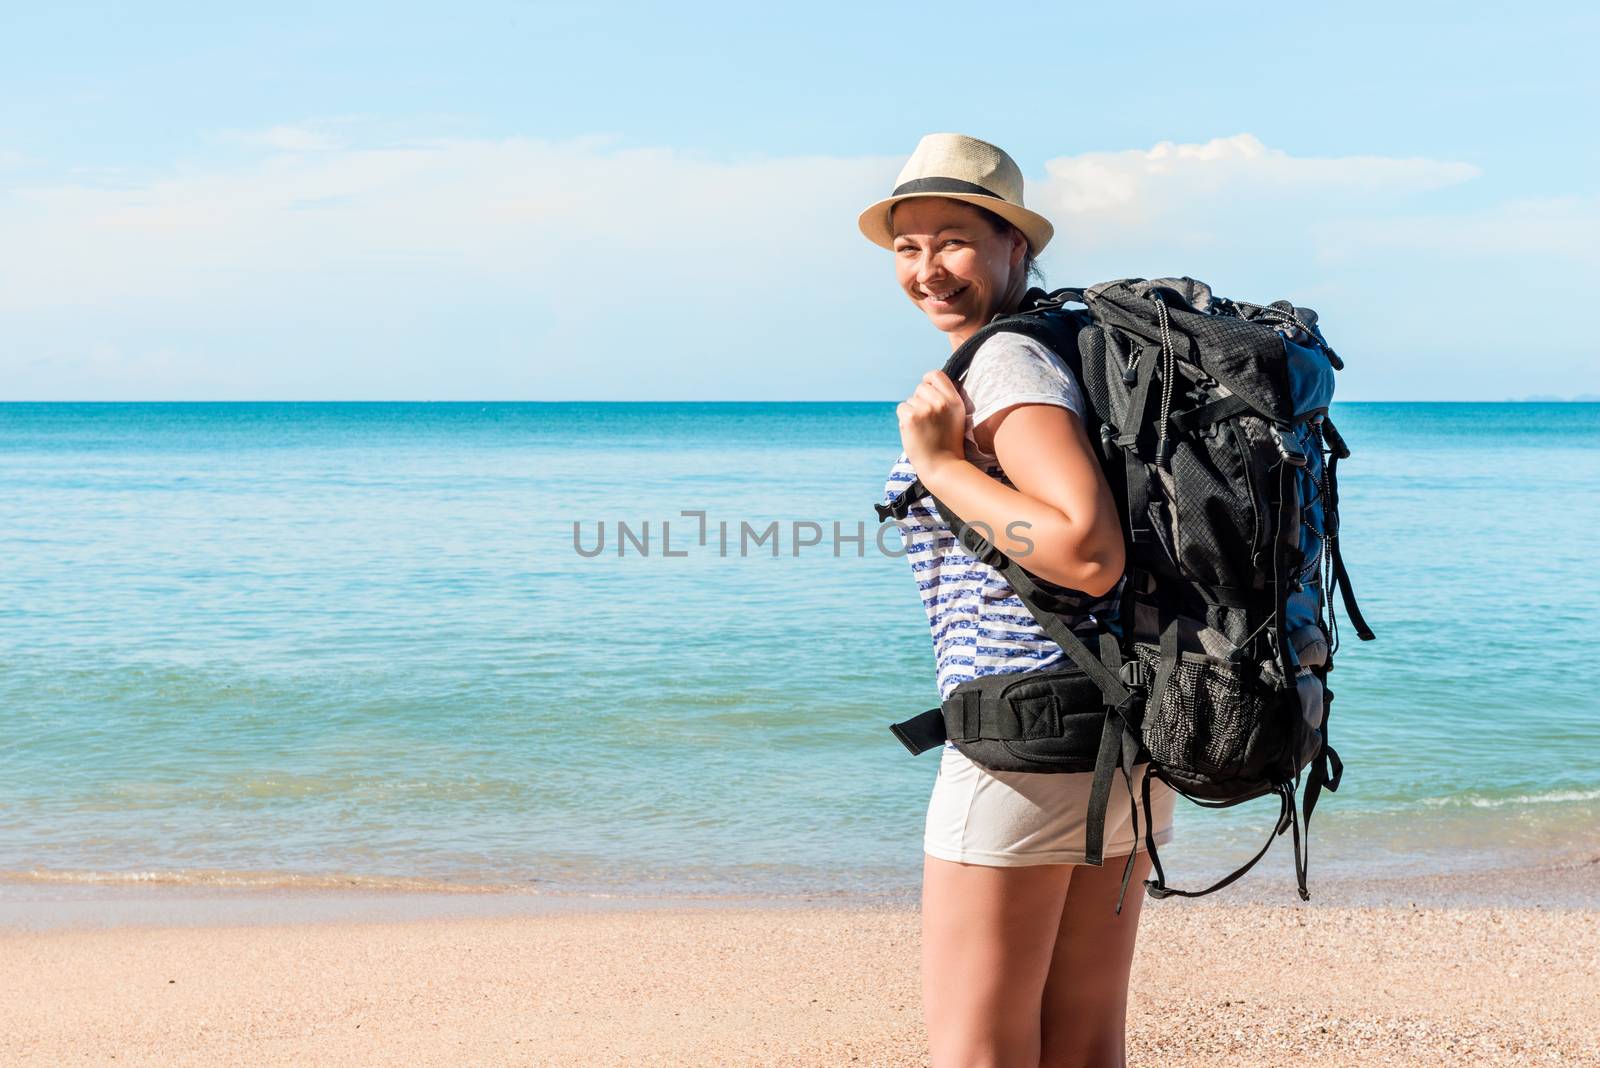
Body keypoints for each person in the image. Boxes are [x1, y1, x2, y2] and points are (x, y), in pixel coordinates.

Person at [861, 132, 1176, 1068]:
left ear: (1017, 248)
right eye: (908, 247)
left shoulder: (1007, 368)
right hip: (1119, 736)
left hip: (1021, 742)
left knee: (980, 1053)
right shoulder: (1065, 349)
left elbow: (1085, 549)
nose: (928, 269)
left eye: (954, 239)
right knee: (1081, 1045)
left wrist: (936, 463)